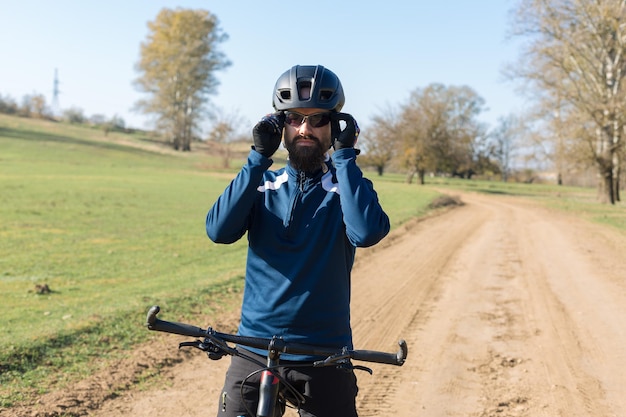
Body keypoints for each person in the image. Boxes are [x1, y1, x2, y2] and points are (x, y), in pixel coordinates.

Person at [206, 65, 390, 417]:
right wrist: (258, 158)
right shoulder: (261, 184)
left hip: (324, 353)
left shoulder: (346, 187)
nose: (305, 128)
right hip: (254, 349)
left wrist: (346, 158)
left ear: (335, 126)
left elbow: (366, 232)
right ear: (280, 124)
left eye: (318, 119)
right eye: (293, 118)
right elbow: (219, 231)